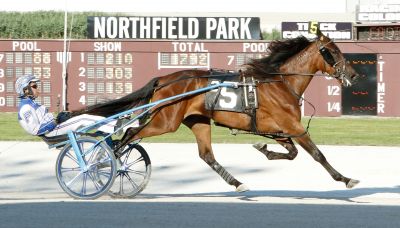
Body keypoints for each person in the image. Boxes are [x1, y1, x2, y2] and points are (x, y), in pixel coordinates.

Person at [16, 74, 137, 138]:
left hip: (56, 127)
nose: (37, 88)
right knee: (83, 119)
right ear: (26, 90)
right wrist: (54, 121)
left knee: (86, 114)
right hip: (53, 132)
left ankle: (115, 122)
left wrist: (58, 118)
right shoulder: (26, 108)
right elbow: (35, 130)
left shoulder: (32, 104)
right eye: (34, 86)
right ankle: (114, 127)